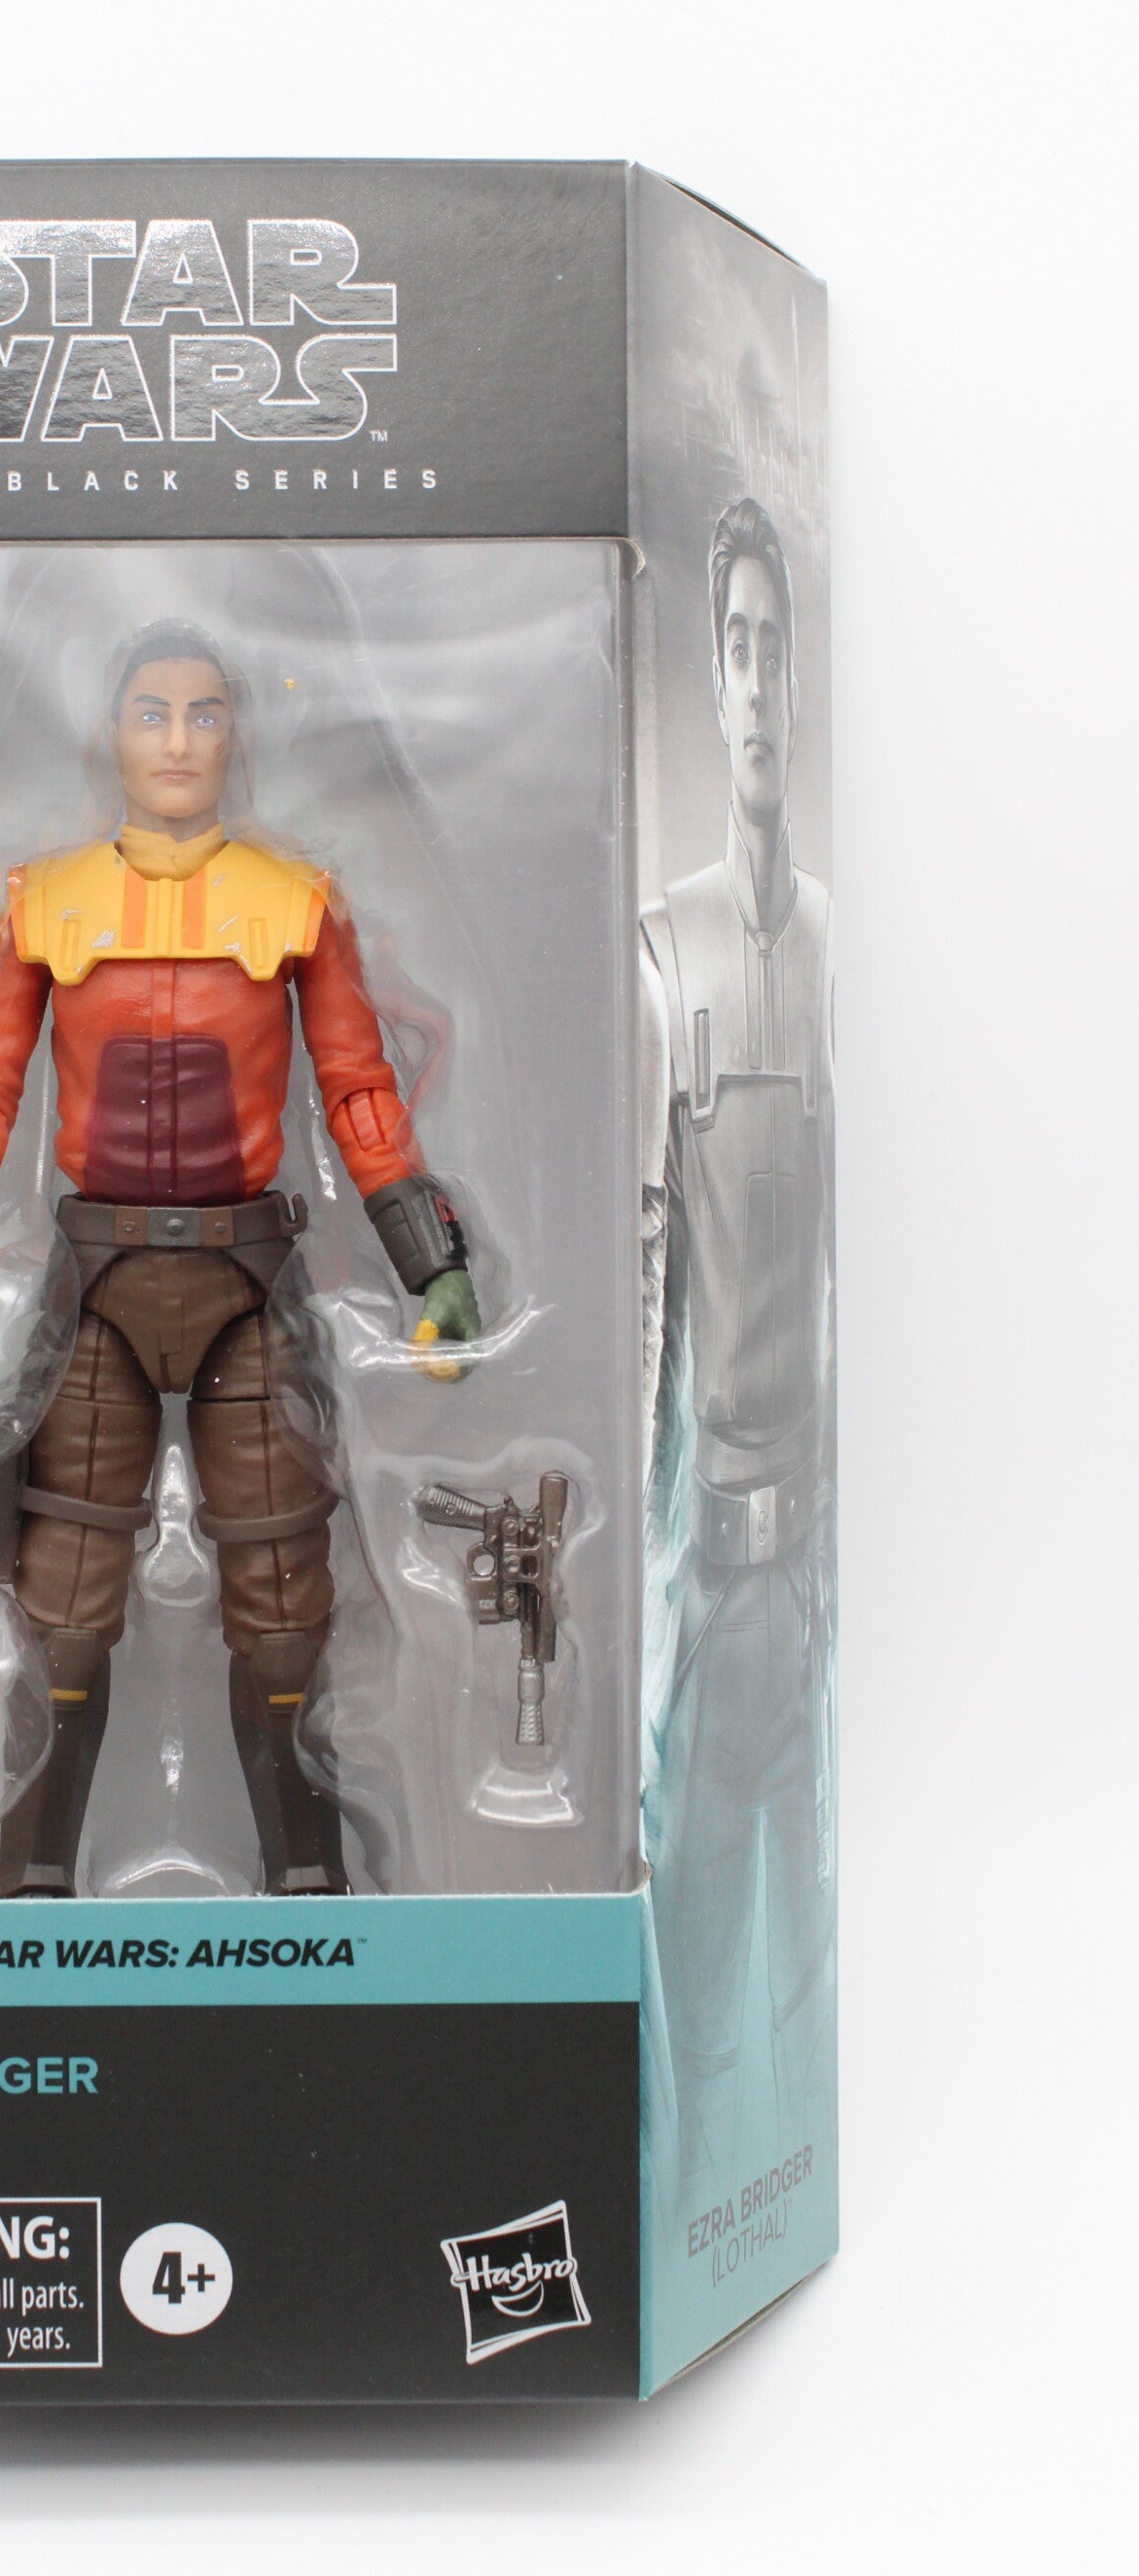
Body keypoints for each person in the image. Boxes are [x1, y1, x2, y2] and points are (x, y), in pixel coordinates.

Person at [0, 621, 481, 1898]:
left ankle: (309, 1884)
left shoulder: (296, 903)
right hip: (100, 1289)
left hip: (250, 1286)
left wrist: (432, 1264)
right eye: (154, 713)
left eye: (206, 714)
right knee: (62, 1605)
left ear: (237, 735)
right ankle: (31, 1886)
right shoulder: (43, 905)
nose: (181, 741)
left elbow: (359, 1091)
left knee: (285, 1602)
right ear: (113, 736)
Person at [641, 501, 836, 2196]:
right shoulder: (665, 948)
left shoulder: (843, 952)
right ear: (714, 683)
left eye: (781, 647)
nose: (762, 683)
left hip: (821, 1596)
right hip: (705, 1588)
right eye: (739, 648)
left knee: (811, 1992)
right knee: (695, 2017)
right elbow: (646, 1304)